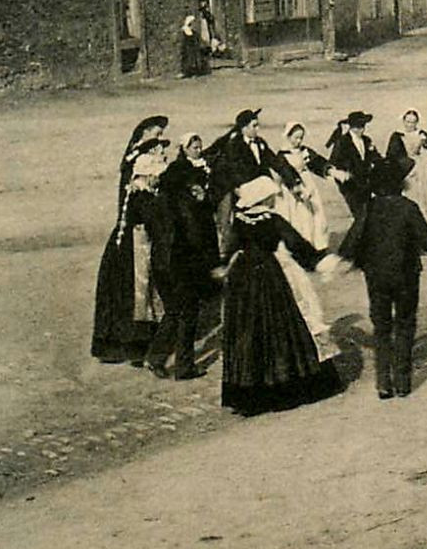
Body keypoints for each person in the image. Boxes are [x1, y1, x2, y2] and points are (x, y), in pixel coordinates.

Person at [218, 177, 343, 416]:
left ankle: (249, 392)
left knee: (249, 331)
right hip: (269, 274)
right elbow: (296, 243)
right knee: (281, 326)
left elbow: (231, 246)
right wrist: (317, 261)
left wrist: (224, 266)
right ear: (264, 198)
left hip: (243, 279)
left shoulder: (240, 220)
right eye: (271, 197)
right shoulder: (272, 219)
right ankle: (287, 386)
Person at [338, 157, 427, 399]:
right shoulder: (408, 207)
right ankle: (402, 382)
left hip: (376, 275)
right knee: (405, 324)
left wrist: (342, 259)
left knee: (381, 327)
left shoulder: (369, 207)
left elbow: (354, 237)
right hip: (406, 274)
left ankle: (383, 383)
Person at [91, 117, 173, 365]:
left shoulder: (139, 159)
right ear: (145, 133)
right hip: (134, 236)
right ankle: (131, 345)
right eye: (157, 134)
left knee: (140, 291)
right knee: (135, 289)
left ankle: (142, 342)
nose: (160, 141)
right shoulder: (137, 164)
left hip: (136, 233)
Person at [145, 133, 222, 379]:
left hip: (162, 262)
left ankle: (156, 358)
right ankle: (184, 366)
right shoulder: (184, 207)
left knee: (175, 310)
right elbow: (193, 237)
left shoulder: (163, 200)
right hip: (179, 263)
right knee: (188, 311)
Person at [206, 109, 303, 253]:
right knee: (236, 223)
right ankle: (228, 255)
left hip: (261, 191)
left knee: (264, 219)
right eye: (254, 126)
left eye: (258, 125)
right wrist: (238, 188)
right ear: (244, 128)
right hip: (243, 192)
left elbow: (276, 162)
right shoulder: (233, 146)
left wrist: (293, 181)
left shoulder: (260, 143)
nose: (257, 129)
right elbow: (230, 170)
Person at [273, 122, 345, 251]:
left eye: (301, 137)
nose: (299, 141)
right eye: (296, 138)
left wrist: (332, 171)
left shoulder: (304, 151)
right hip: (292, 190)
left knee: (314, 217)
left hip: (308, 186)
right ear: (288, 137)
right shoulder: (282, 155)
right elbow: (286, 172)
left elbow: (317, 161)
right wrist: (298, 189)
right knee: (297, 218)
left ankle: (316, 245)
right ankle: (297, 248)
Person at [326, 111, 381, 221]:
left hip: (366, 183)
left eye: (363, 126)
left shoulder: (366, 140)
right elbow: (333, 162)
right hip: (351, 185)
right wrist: (343, 176)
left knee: (367, 213)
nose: (361, 130)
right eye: (357, 127)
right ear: (351, 127)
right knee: (359, 214)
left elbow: (375, 157)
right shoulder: (342, 142)